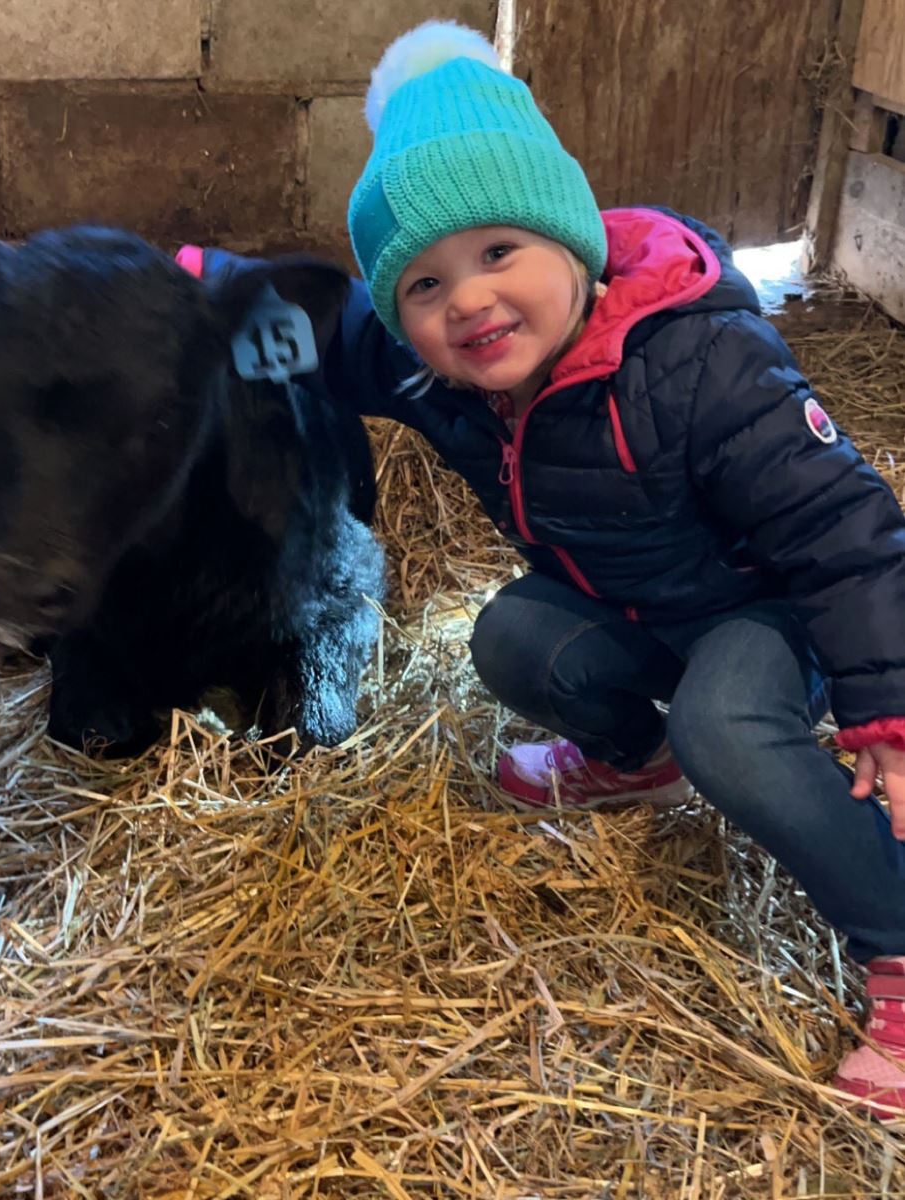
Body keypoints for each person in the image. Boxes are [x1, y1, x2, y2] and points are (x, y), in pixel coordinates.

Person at [179, 19, 905, 1116]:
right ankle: (633, 753)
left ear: (570, 238)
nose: (466, 299)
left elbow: (841, 529)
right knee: (508, 638)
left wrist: (884, 709)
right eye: (422, 284)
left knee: (726, 723)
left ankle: (893, 940)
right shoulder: (427, 369)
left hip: (763, 614)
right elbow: (316, 327)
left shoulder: (696, 358)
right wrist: (190, 289)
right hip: (626, 603)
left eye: (497, 252)